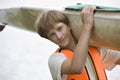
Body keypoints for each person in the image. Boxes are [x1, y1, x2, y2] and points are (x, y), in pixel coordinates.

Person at [35, 6, 120, 80]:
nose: (59, 36)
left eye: (60, 28)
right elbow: (77, 67)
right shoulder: (55, 60)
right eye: (52, 34)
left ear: (69, 25)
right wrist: (86, 26)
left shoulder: (95, 49)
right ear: (49, 39)